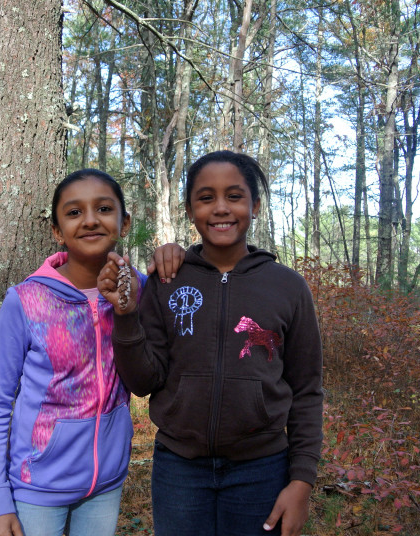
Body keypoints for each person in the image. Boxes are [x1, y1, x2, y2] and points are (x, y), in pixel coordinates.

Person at [98, 150, 324, 536]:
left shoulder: (287, 287)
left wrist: (301, 481)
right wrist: (125, 316)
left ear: (254, 205)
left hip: (262, 469)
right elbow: (142, 382)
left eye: (234, 196)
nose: (221, 208)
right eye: (206, 198)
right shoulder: (167, 280)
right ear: (189, 209)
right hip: (180, 469)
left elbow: (306, 391)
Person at [0, 168, 185, 536]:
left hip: (105, 484)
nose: (89, 220)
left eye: (103, 208)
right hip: (37, 486)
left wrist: (177, 255)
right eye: (73, 213)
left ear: (124, 222)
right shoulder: (26, 301)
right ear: (57, 230)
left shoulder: (143, 291)